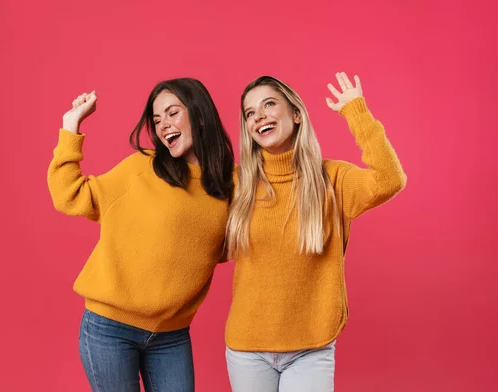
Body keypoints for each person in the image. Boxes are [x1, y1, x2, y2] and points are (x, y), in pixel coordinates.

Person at [47, 78, 234, 392]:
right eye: (157, 120)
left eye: (172, 113)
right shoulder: (140, 169)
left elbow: (235, 242)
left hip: (172, 336)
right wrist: (71, 127)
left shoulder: (232, 183)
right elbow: (69, 195)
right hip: (110, 329)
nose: (163, 126)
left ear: (200, 115)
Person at [224, 72, 407, 391]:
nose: (259, 117)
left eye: (269, 104)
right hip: (247, 348)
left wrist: (357, 112)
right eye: (250, 113)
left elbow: (390, 179)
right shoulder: (236, 184)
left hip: (311, 347)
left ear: (295, 114)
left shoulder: (333, 180)